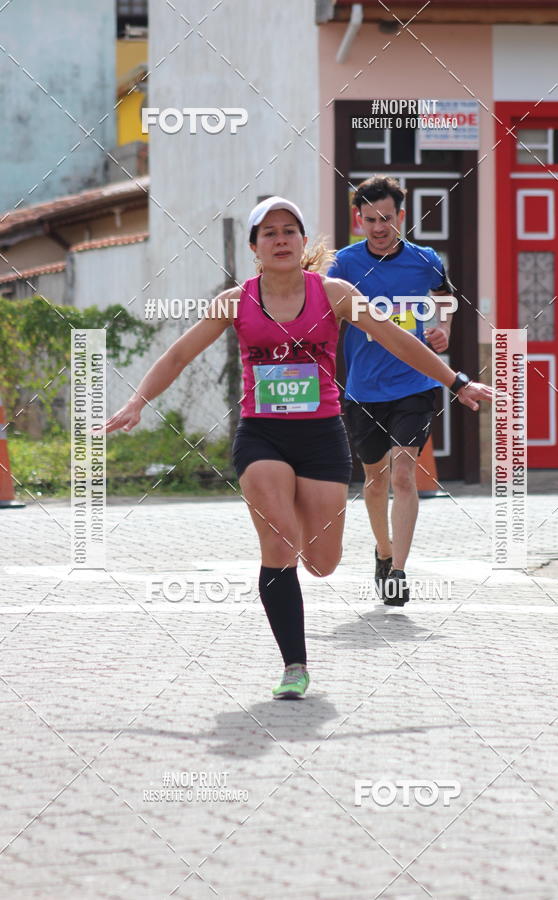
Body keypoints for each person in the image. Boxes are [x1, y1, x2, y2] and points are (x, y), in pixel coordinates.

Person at [103, 196, 491, 699]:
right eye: (269, 233)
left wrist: (457, 382)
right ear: (254, 247)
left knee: (321, 562)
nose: (281, 239)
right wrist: (137, 401)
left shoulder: (334, 293)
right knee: (279, 544)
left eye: (290, 231)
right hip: (261, 433)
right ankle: (294, 665)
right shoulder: (235, 300)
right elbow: (178, 355)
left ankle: (325, 558)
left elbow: (398, 340)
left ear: (303, 242)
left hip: (322, 436)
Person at [328, 175, 461, 606]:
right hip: (364, 389)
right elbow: (324, 311)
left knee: (404, 475)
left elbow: (445, 297)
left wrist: (442, 328)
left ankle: (399, 572)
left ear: (401, 216)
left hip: (414, 384)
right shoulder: (344, 265)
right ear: (358, 221)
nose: (379, 227)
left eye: (387, 218)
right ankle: (382, 553)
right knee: (374, 481)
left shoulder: (425, 260)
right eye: (370, 220)